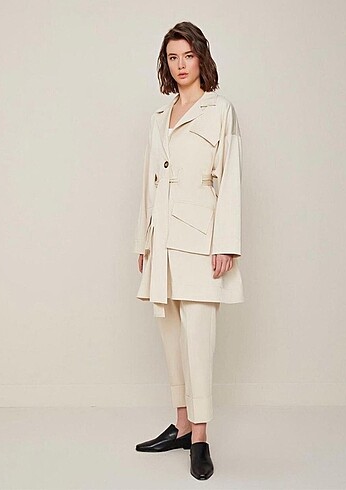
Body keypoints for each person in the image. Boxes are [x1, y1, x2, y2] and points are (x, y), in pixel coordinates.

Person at [133, 21, 244, 480]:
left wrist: (226, 243)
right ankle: (180, 427)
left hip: (201, 239)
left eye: (188, 56)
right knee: (172, 337)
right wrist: (144, 240)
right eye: (172, 57)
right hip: (162, 240)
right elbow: (150, 180)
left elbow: (230, 177)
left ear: (201, 57)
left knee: (199, 340)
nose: (180, 65)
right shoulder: (160, 116)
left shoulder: (220, 110)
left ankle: (200, 438)